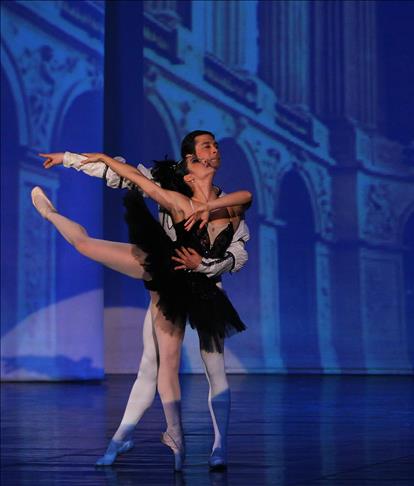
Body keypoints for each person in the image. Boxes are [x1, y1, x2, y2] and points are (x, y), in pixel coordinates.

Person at [32, 142, 251, 470]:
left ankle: (218, 446)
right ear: (188, 170)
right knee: (156, 364)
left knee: (214, 367)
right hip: (167, 278)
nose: (212, 153)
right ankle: (150, 435)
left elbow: (241, 229)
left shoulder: (230, 205)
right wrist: (78, 158)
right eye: (203, 150)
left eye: (214, 148)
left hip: (206, 288)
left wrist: (204, 257)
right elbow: (130, 176)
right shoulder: (174, 195)